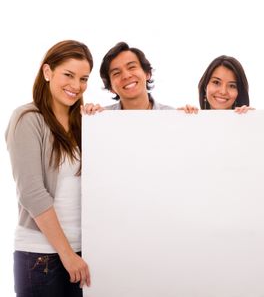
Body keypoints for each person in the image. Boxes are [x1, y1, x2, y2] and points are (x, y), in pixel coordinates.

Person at [5, 40, 93, 296]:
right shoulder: (27, 119)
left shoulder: (84, 122)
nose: (76, 86)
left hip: (83, 253)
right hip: (41, 258)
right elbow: (31, 193)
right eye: (68, 75)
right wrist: (66, 254)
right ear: (47, 72)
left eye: (83, 78)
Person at [84, 41, 172, 113]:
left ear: (147, 73)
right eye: (116, 73)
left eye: (131, 67)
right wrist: (87, 117)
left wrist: (185, 118)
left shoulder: (173, 116)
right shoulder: (100, 118)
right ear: (111, 88)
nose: (126, 76)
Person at [180, 55, 252, 113]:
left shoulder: (249, 122)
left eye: (232, 86)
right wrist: (179, 118)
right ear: (205, 86)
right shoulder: (191, 121)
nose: (223, 92)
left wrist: (252, 120)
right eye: (216, 82)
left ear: (239, 93)